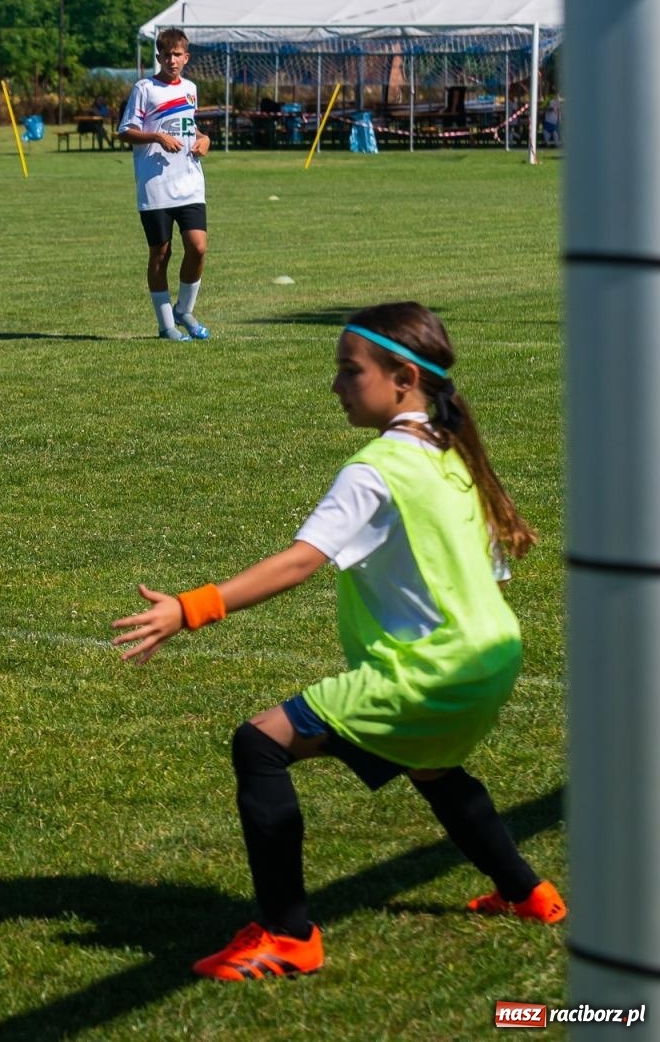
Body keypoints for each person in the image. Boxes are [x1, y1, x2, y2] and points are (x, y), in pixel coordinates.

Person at [111, 302, 564, 981]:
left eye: (349, 372)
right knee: (432, 768)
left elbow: (300, 561)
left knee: (260, 742)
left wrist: (191, 607)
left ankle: (289, 937)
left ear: (403, 377)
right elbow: (487, 575)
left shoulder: (377, 468)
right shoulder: (453, 457)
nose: (336, 385)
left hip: (432, 670)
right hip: (491, 660)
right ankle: (529, 895)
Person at [118, 27, 212, 341]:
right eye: (166, 54)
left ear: (186, 57)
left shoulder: (190, 88)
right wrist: (157, 136)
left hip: (189, 182)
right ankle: (166, 325)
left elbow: (190, 127)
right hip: (155, 185)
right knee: (161, 253)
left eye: (177, 54)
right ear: (158, 56)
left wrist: (205, 139)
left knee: (198, 248)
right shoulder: (144, 89)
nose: (172, 60)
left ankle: (184, 310)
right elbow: (125, 131)